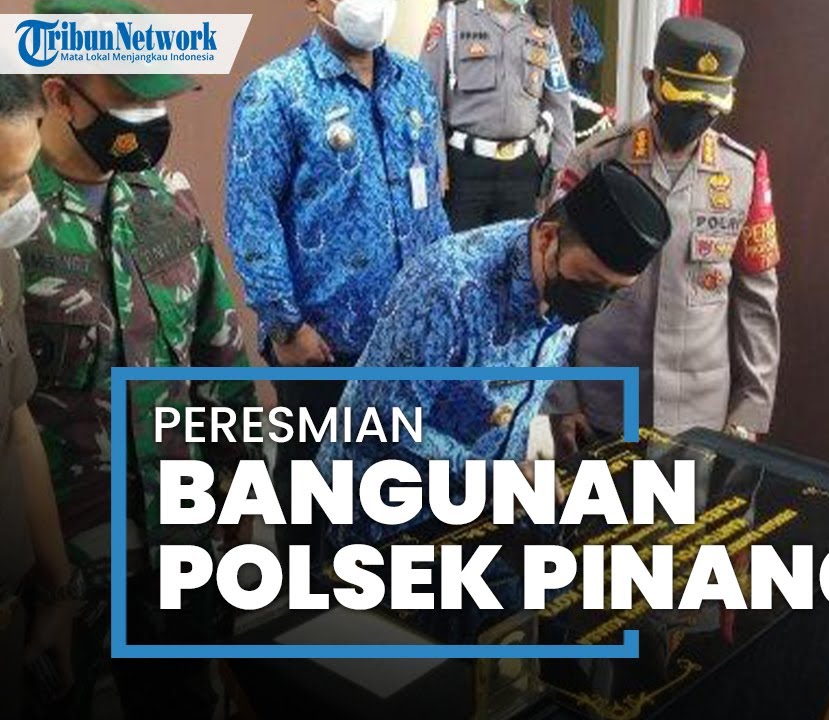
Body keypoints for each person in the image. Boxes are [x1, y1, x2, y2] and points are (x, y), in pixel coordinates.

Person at [20, 1, 262, 717]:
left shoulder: (168, 206)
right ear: (60, 95)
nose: (149, 118)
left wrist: (242, 493)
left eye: (157, 98)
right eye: (129, 98)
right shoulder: (12, 222)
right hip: (66, 570)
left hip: (182, 546)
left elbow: (222, 364)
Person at [317, 160, 671, 548]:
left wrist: (560, 412)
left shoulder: (562, 274)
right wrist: (494, 477)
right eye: (591, 282)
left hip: (479, 508)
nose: (598, 303)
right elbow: (384, 421)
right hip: (382, 510)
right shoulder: (448, 287)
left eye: (614, 292)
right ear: (547, 238)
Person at [226, 0, 451, 563]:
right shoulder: (275, 91)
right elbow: (252, 216)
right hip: (321, 344)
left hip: (409, 339)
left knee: (402, 481)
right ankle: (304, 598)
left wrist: (445, 300)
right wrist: (285, 326)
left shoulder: (412, 83)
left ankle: (388, 597)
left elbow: (430, 198)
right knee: (313, 491)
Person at [543, 17, 781, 456]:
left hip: (699, 416)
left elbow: (757, 303)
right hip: (602, 405)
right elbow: (552, 285)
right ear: (650, 81)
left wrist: (749, 411)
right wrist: (562, 397)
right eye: (682, 100)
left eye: (708, 105)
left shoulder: (743, 174)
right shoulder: (595, 162)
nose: (695, 117)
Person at [0, 73, 75, 720]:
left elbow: (17, 425)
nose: (25, 199)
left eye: (28, 173)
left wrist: (58, 590)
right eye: (4, 184)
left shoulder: (4, 265)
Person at [422, 0, 575, 230]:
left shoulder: (541, 27)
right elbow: (426, 98)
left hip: (522, 172)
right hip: (466, 171)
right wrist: (436, 161)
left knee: (517, 248)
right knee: (465, 250)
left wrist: (563, 163)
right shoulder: (452, 19)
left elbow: (559, 101)